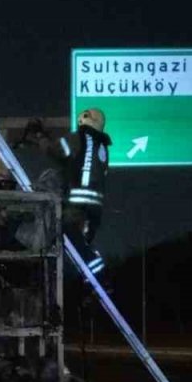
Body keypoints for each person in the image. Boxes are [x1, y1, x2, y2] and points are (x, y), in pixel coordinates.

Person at [23, 109, 112, 276]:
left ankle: (99, 276)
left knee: (66, 237)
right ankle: (94, 279)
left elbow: (56, 150)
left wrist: (40, 136)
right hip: (94, 208)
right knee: (80, 244)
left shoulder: (80, 138)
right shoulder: (102, 148)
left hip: (78, 204)